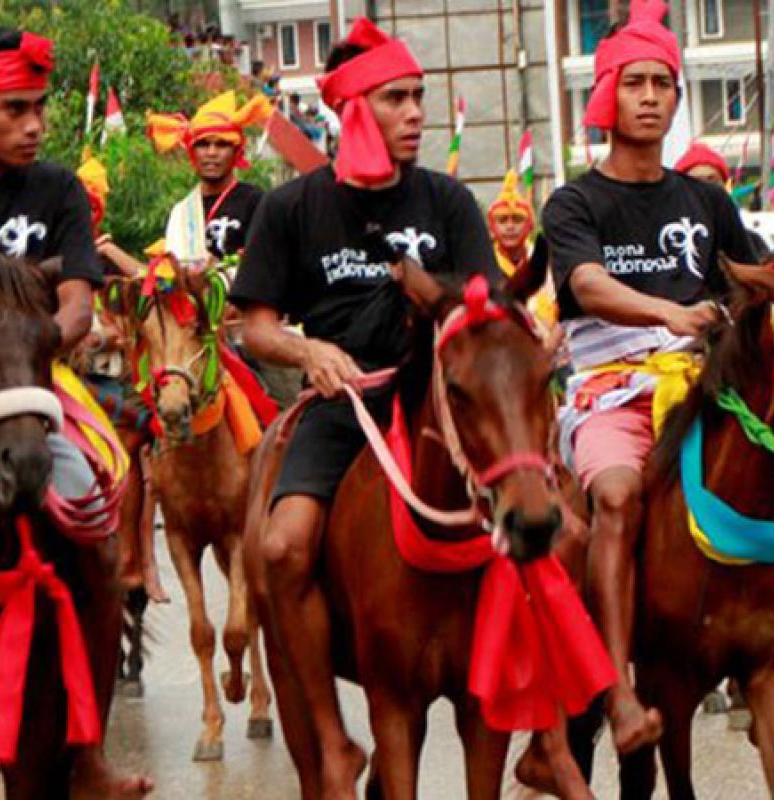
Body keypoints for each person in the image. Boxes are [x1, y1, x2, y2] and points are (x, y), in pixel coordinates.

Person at [542, 0, 774, 756]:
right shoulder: (575, 201)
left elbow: (752, 274)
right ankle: (619, 691)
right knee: (619, 496)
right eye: (636, 83)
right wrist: (670, 312)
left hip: (706, 384)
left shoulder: (708, 200)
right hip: (612, 385)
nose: (652, 96)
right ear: (607, 97)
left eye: (664, 83)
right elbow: (587, 285)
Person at [229, 18, 497, 796]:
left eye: (418, 96)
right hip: (343, 403)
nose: (416, 112)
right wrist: (309, 353)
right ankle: (329, 735)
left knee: (553, 521)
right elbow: (255, 325)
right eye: (396, 99)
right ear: (354, 110)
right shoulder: (293, 207)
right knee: (280, 547)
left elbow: (485, 301)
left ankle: (551, 723)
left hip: (439, 402)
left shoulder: (447, 200)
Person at [0, 27, 152, 798]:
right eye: (14, 109)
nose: (34, 125)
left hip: (32, 385)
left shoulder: (57, 190)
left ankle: (86, 753)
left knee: (95, 532)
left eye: (40, 108)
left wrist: (24, 349)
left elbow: (77, 307)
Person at [147, 91, 271, 266]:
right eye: (203, 144)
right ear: (192, 153)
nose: (211, 153)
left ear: (237, 152)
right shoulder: (180, 212)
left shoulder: (256, 202)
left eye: (221, 144)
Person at [487, 168, 557, 327]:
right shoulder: (484, 261)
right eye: (503, 220)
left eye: (517, 220)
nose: (510, 227)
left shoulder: (546, 260)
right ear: (492, 227)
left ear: (529, 226)